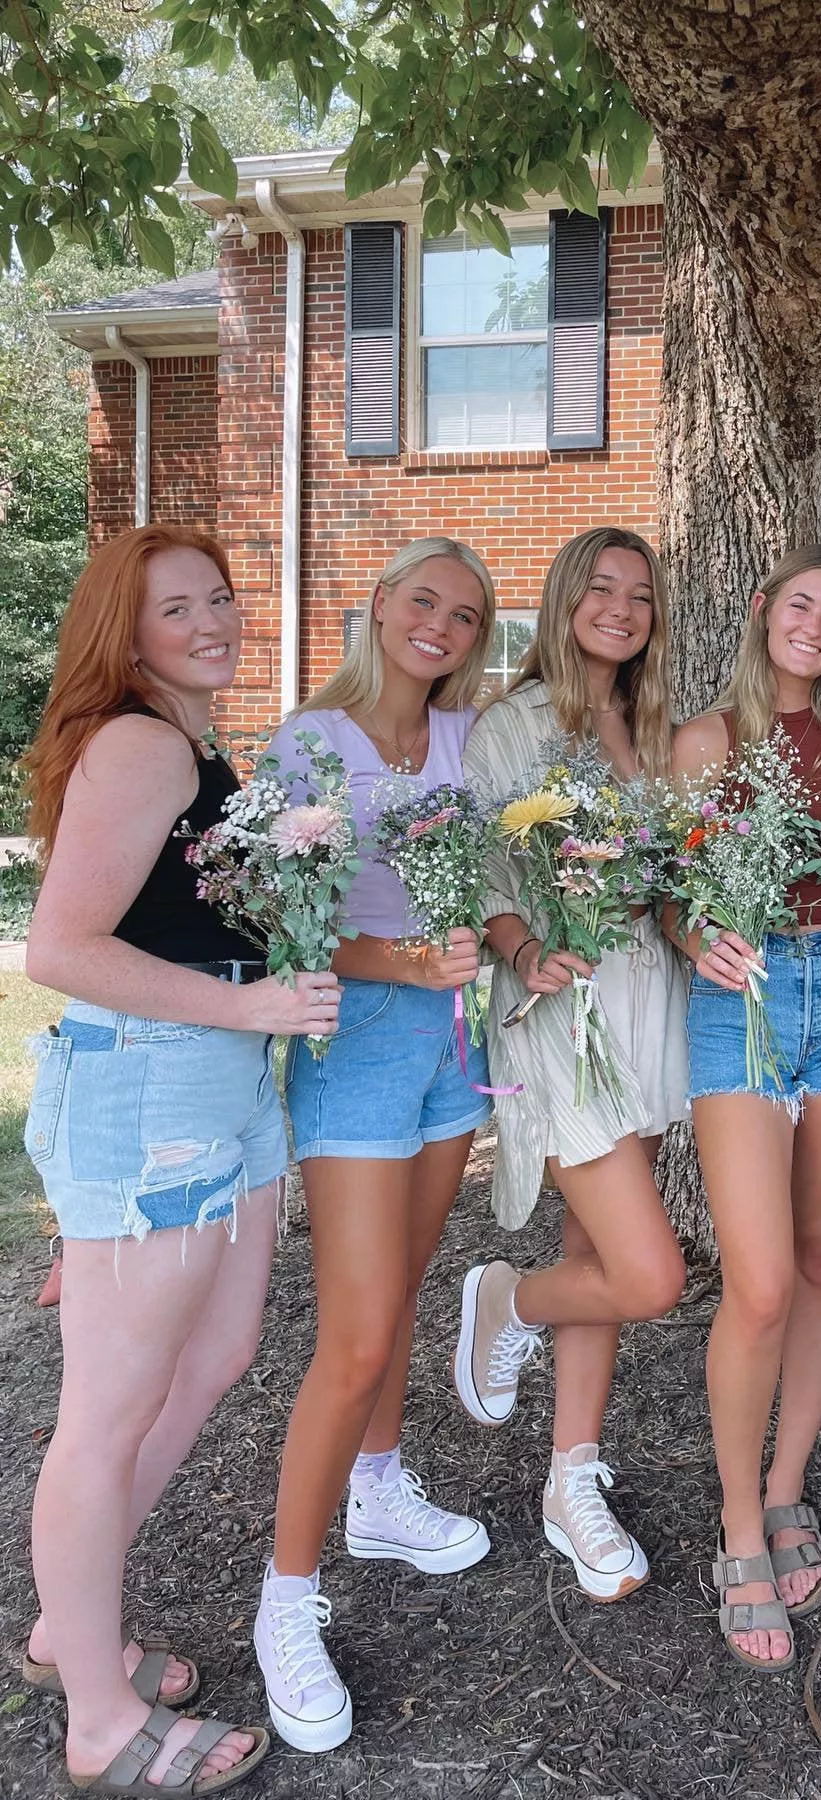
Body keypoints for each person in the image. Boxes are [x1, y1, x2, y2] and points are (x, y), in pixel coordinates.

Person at [21, 524, 339, 1793]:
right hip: (155, 1082)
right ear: (127, 630)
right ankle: (95, 1713)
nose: (212, 621)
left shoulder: (195, 743)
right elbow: (60, 948)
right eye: (176, 609)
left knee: (217, 1357)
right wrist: (254, 1008)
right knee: (102, 1417)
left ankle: (70, 1625)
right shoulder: (141, 744)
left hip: (215, 1084)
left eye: (219, 597)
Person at [254, 538, 498, 1752]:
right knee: (350, 1337)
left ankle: (380, 1491)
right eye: (423, 602)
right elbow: (282, 921)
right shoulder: (311, 742)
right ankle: (285, 1603)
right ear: (378, 605)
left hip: (451, 1046)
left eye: (463, 616)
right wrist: (396, 958)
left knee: (401, 1291)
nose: (440, 628)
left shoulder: (464, 741)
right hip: (351, 1043)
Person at [455, 527, 688, 1604]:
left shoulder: (651, 724)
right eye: (600, 588)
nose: (621, 606)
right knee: (648, 1274)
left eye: (639, 594)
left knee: (600, 1245)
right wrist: (525, 950)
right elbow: (491, 866)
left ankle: (571, 1480)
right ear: (563, 599)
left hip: (647, 1004)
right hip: (560, 1008)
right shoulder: (515, 724)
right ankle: (506, 1299)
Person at [669, 546, 821, 1671]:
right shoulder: (706, 743)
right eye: (799, 605)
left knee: (819, 1255)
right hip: (740, 1004)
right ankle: (738, 1527)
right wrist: (693, 931)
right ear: (760, 612)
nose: (814, 627)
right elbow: (668, 887)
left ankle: (789, 1483)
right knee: (753, 1286)